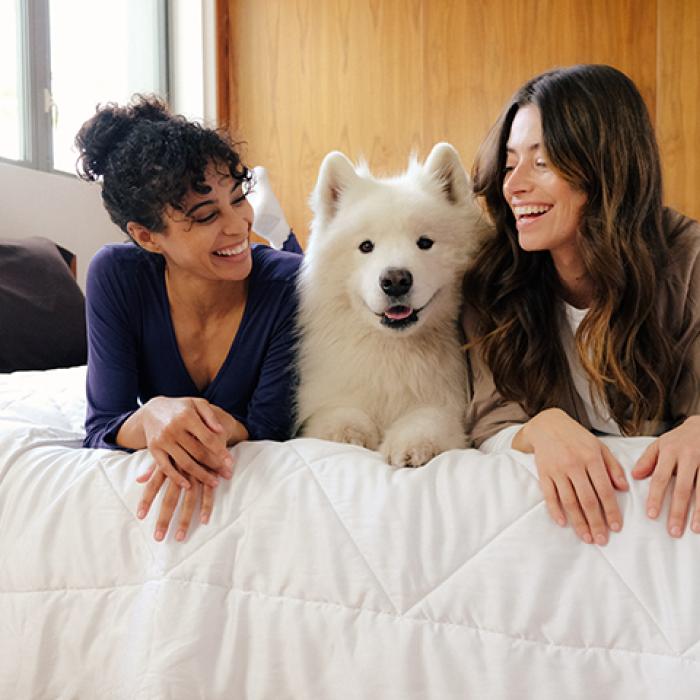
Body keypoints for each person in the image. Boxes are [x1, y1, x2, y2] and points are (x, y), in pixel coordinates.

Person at [462, 64, 700, 545]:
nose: (515, 186)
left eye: (542, 162)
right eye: (510, 165)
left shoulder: (688, 260)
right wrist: (540, 429)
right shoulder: (492, 278)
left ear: (606, 167)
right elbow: (490, 419)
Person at [76, 95, 302, 542]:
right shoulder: (116, 275)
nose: (238, 225)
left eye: (239, 199)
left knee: (316, 274)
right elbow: (104, 425)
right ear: (147, 237)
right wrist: (156, 415)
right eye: (205, 216)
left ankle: (283, 235)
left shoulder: (289, 284)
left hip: (286, 273)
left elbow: (271, 427)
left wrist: (190, 432)